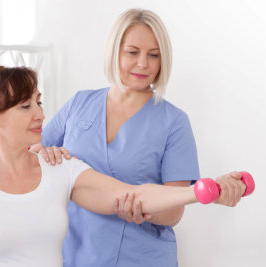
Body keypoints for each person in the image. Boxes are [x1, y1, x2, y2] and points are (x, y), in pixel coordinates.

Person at [0, 66, 245, 267]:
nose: (39, 114)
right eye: (25, 106)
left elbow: (137, 194)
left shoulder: (61, 170)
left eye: (39, 101)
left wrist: (204, 192)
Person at [39, 8, 230, 267]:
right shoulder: (79, 103)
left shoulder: (174, 122)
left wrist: (145, 211)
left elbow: (174, 211)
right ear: (114, 51)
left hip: (140, 257)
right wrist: (45, 152)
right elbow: (35, 153)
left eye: (154, 55)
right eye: (132, 52)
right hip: (75, 253)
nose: (143, 64)